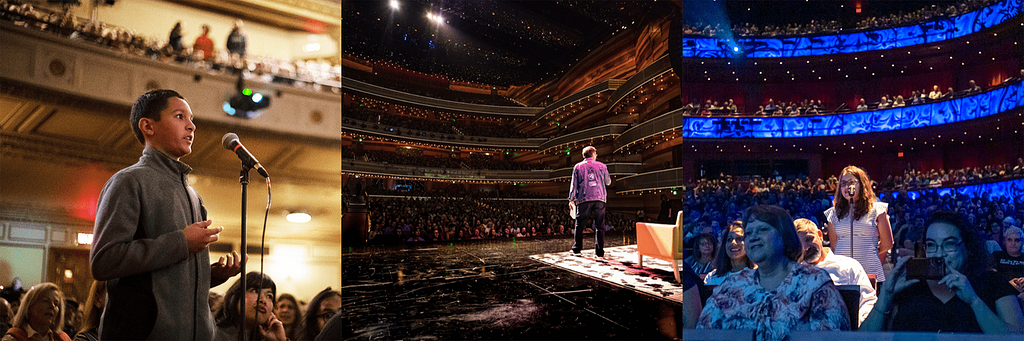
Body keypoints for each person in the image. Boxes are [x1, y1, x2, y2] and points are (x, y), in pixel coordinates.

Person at [90, 89, 242, 340]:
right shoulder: (128, 182)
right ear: (148, 126)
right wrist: (181, 242)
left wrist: (211, 275)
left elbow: (168, 280)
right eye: (180, 116)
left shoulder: (193, 195)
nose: (191, 126)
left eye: (192, 119)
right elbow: (104, 261)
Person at [697, 205, 849, 341]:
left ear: (785, 236)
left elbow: (831, 337)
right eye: (749, 233)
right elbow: (702, 333)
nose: (753, 237)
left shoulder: (815, 283)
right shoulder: (731, 286)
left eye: (762, 229)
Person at [861, 211, 1024, 333]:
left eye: (949, 244)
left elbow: (1017, 336)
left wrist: (974, 301)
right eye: (931, 245)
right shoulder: (908, 286)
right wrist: (885, 296)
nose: (939, 254)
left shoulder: (992, 282)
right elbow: (863, 339)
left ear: (968, 248)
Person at [794, 218, 877, 325]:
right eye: (800, 245)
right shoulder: (795, 275)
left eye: (809, 239)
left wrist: (856, 327)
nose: (806, 248)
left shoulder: (848, 266)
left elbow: (868, 301)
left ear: (820, 235)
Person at [825, 166, 893, 284]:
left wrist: (870, 254)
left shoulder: (877, 209)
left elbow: (887, 243)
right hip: (842, 272)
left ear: (862, 185)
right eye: (843, 183)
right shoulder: (833, 213)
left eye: (851, 182)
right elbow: (835, 245)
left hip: (869, 270)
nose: (847, 187)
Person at [213, 272, 286, 341]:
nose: (263, 300)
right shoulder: (213, 334)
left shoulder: (266, 338)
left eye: (269, 296)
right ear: (236, 296)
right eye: (255, 291)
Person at [567, 146, 611, 258]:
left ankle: (577, 249)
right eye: (596, 153)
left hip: (584, 199)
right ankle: (599, 253)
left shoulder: (578, 167)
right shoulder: (602, 166)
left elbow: (574, 185)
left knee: (580, 224)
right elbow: (608, 182)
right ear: (593, 154)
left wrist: (571, 199)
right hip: (600, 199)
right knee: (600, 226)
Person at [2, 283, 70, 341]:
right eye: (45, 301)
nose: (52, 306)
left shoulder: (62, 338)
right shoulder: (13, 338)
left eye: (56, 303)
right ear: (29, 307)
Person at [703, 221, 755, 286]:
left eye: (739, 238)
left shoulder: (758, 276)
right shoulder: (712, 277)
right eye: (729, 239)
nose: (733, 242)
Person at [992, 226, 1024, 293]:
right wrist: (1008, 283)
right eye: (1009, 240)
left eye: (1017, 240)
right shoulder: (997, 256)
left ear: (1022, 241)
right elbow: (990, 276)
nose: (1013, 243)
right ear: (1005, 241)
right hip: (1002, 291)